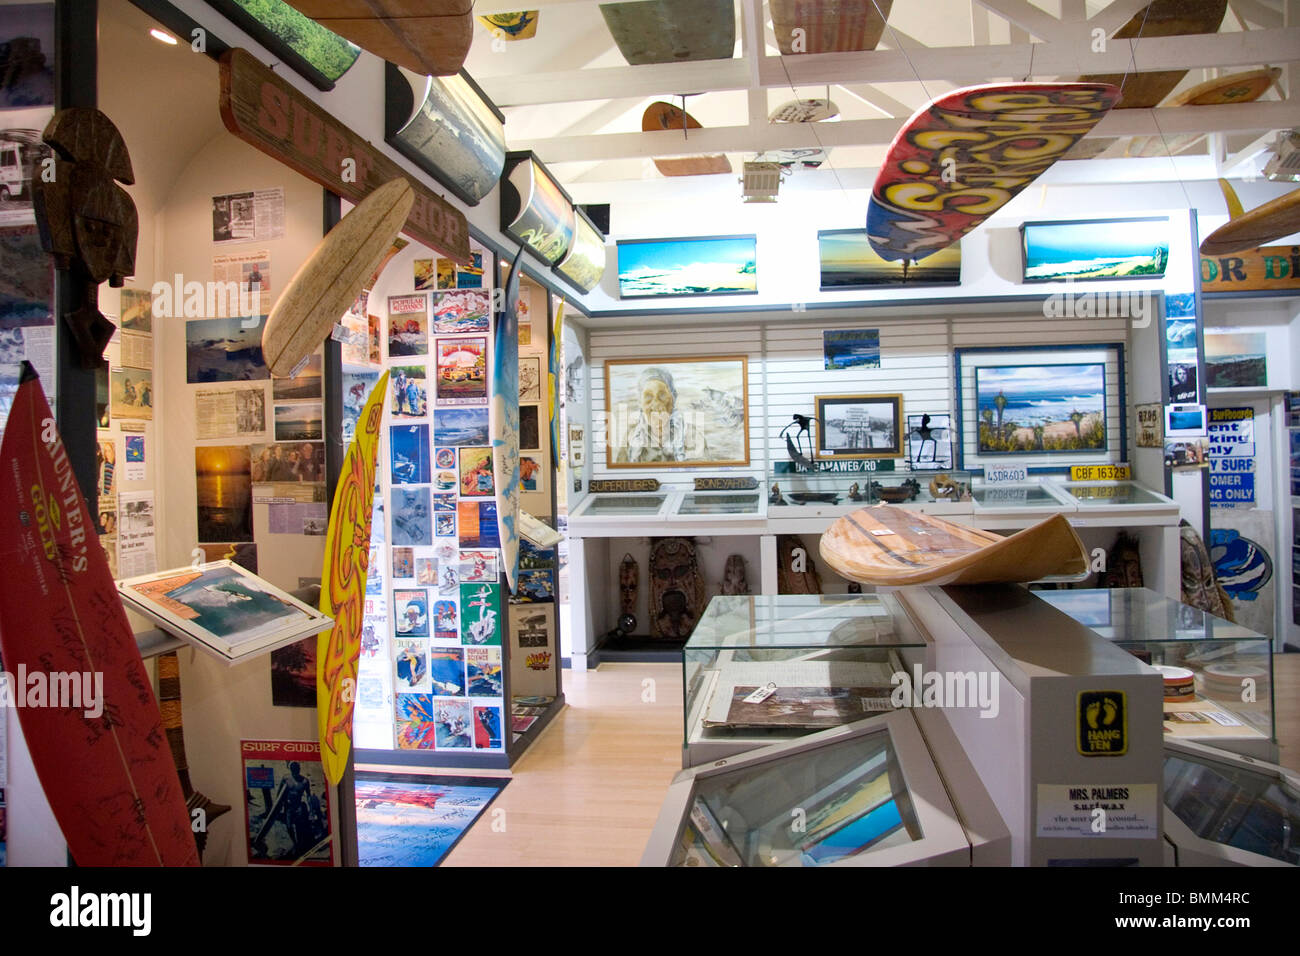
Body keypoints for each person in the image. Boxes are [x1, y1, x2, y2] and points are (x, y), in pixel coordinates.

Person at [617, 366, 709, 463]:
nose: (656, 404)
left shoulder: (692, 435)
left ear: (673, 398)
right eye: (648, 396)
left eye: (662, 395)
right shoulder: (631, 436)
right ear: (640, 402)